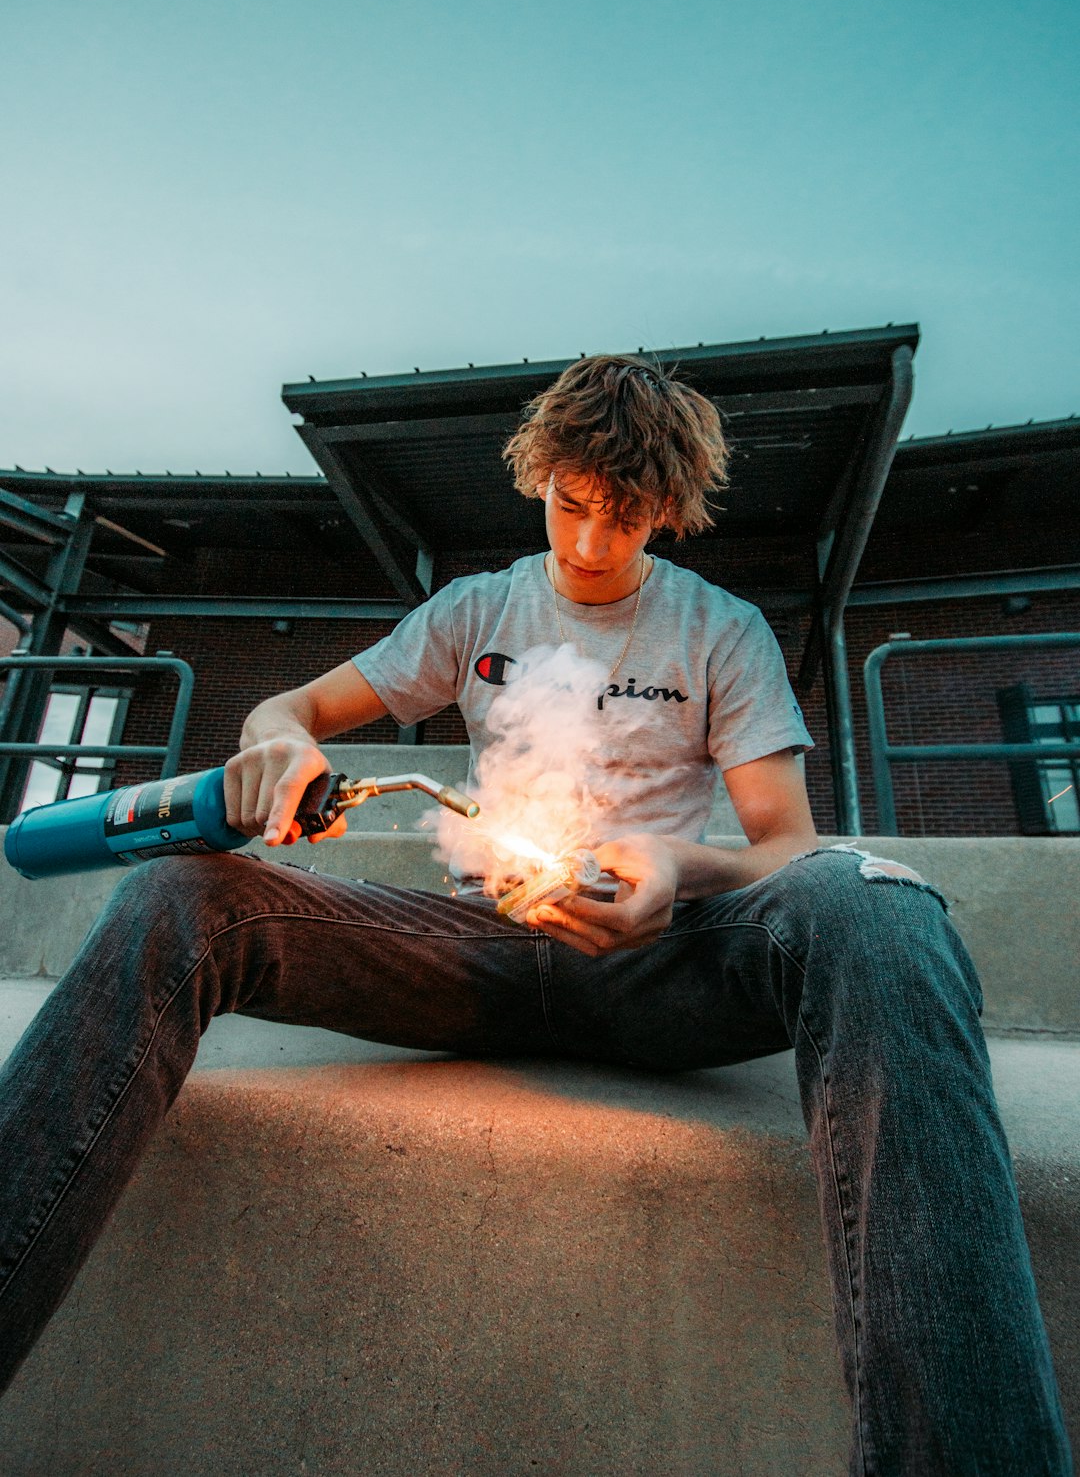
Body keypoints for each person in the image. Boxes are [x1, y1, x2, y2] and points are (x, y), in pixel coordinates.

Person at [0, 356, 1071, 1476]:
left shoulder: (721, 629)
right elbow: (292, 704)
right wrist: (279, 740)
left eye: (627, 517)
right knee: (178, 894)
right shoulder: (480, 609)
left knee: (877, 905)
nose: (593, 543)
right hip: (481, 951)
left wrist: (668, 866)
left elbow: (781, 849)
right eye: (571, 504)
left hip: (669, 957)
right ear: (539, 478)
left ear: (669, 509)